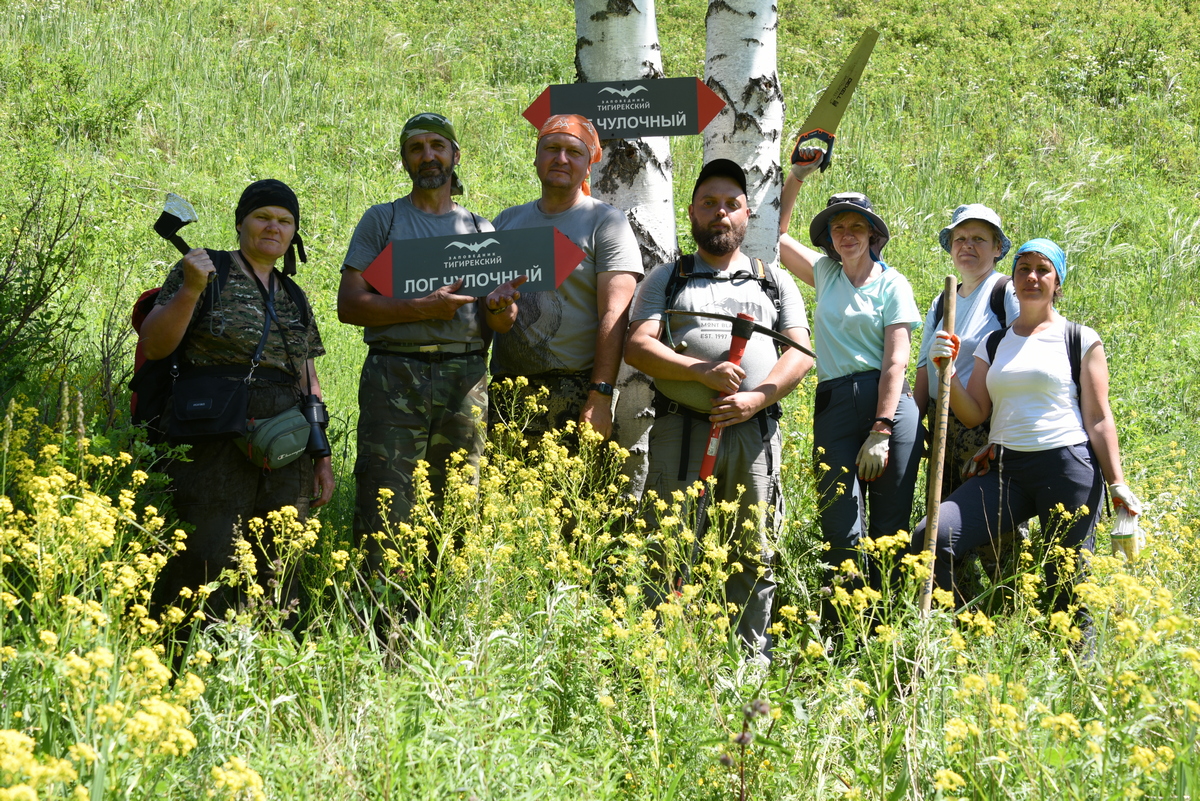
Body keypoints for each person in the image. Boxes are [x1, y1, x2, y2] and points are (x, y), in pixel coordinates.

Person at [626, 159, 814, 657]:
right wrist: (697, 372)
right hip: (679, 433)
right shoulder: (667, 279)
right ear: (691, 211)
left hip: (752, 436)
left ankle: (747, 659)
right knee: (668, 548)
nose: (720, 214)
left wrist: (758, 397)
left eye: (731, 205)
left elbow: (799, 352)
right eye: (709, 203)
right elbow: (637, 346)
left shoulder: (772, 281)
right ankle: (661, 659)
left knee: (752, 551)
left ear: (747, 214)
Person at [916, 238, 1143, 617]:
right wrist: (947, 371)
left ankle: (1078, 666)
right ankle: (958, 634)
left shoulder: (1080, 339)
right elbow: (973, 414)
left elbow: (1100, 418)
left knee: (1067, 580)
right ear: (1014, 277)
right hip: (1006, 470)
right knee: (933, 536)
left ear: (1058, 283)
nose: (1032, 277)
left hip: (1067, 465)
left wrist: (1117, 484)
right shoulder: (993, 342)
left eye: (1043, 270)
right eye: (1024, 269)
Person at [338, 113, 521, 575]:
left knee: (460, 501)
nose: (428, 155)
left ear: (455, 156)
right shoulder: (384, 220)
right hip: (394, 375)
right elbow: (350, 306)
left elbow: (501, 322)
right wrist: (420, 308)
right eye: (416, 148)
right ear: (405, 161)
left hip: (465, 378)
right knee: (385, 499)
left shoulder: (481, 230)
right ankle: (379, 619)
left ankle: (443, 614)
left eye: (437, 145)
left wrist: (500, 307)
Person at [143, 179, 333, 624]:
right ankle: (185, 652)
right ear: (240, 223)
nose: (274, 227)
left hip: (284, 441)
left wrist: (321, 456)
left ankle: (270, 656)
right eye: (263, 216)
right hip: (211, 436)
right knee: (208, 551)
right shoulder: (208, 271)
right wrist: (191, 288)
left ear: (294, 234)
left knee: (281, 554)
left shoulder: (294, 296)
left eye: (285, 221)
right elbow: (154, 344)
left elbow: (307, 377)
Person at [777, 159, 923, 605]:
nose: (847, 233)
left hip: (890, 408)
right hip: (835, 405)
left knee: (889, 526)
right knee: (838, 519)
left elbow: (897, 360)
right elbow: (776, 236)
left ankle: (886, 628)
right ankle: (844, 623)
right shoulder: (826, 274)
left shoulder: (893, 284)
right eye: (838, 226)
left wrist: (881, 429)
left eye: (857, 225)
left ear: (872, 235)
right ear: (829, 238)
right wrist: (797, 176)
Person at [488, 114, 642, 446]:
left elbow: (615, 316)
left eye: (573, 152)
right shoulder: (506, 222)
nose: (561, 158)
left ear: (588, 167)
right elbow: (491, 313)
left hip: (574, 393)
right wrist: (497, 310)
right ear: (536, 157)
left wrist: (600, 396)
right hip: (506, 392)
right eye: (552, 148)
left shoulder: (606, 223)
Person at [915, 204, 1019, 497]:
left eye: (978, 239)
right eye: (960, 239)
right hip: (941, 422)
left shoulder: (1005, 292)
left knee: (988, 516)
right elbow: (924, 366)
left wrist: (1003, 433)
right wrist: (914, 424)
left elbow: (1022, 356)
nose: (967, 246)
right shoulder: (941, 301)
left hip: (986, 424)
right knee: (942, 510)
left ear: (997, 248)